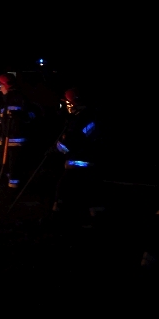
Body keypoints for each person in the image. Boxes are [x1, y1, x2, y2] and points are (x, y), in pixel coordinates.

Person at [51, 87, 104, 227]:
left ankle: (92, 220)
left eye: (68, 103)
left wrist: (61, 146)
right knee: (75, 190)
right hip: (79, 161)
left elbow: (77, 139)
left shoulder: (87, 119)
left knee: (71, 189)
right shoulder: (78, 118)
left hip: (84, 161)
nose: (66, 106)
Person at [0, 73, 35, 190]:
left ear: (7, 85)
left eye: (1, 86)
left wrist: (21, 116)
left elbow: (32, 116)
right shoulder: (4, 101)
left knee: (14, 168)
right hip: (3, 142)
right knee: (2, 164)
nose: (0, 89)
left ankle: (14, 190)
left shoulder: (21, 99)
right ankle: (6, 185)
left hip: (16, 143)